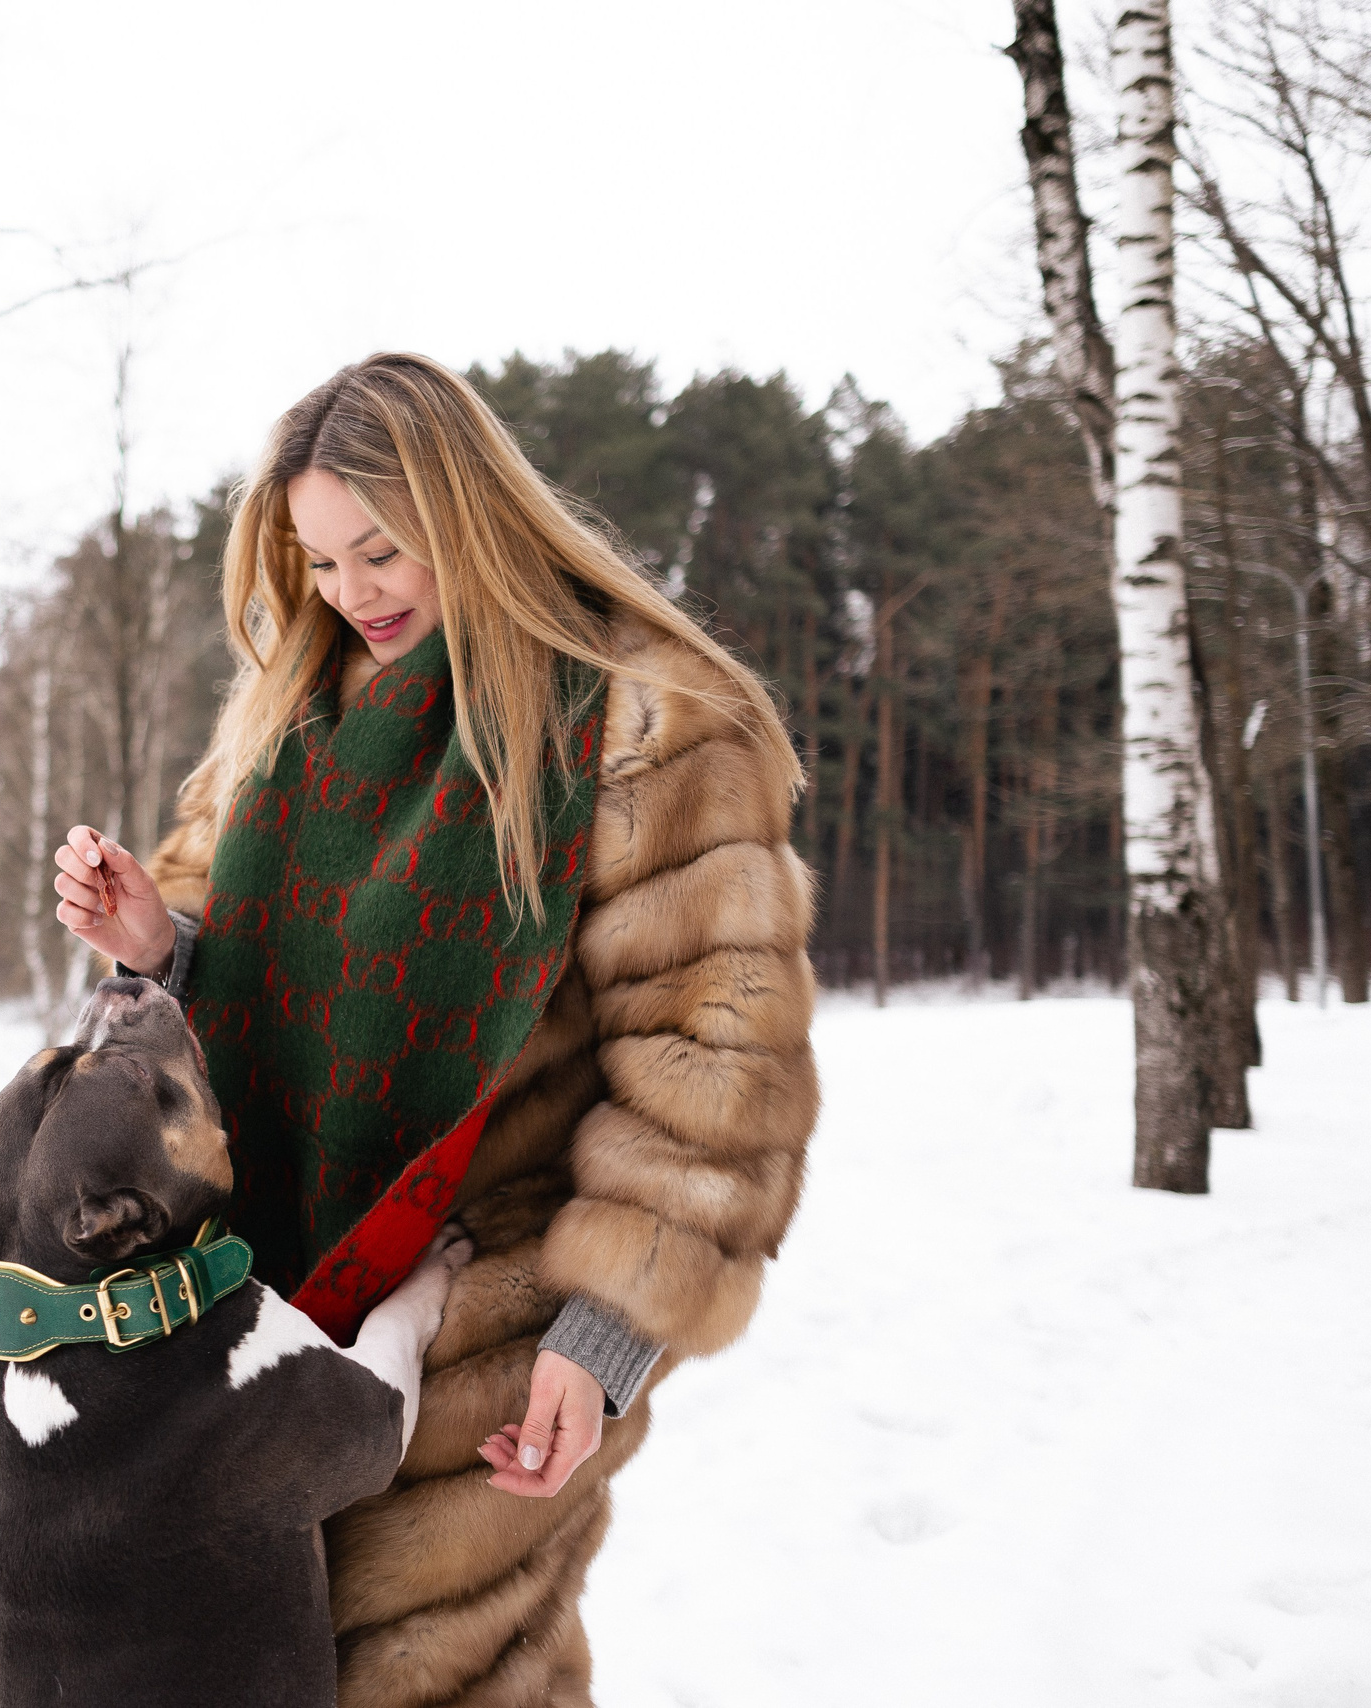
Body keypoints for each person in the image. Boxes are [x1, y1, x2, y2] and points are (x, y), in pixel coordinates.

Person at [53, 352, 818, 1707]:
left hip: (488, 1330)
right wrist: (159, 948)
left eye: (382, 550)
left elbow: (714, 1064)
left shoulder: (651, 722)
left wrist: (604, 1343)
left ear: (470, 512)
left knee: (442, 1675)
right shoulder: (292, 713)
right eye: (321, 562)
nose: (352, 594)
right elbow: (276, 986)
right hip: (269, 1308)